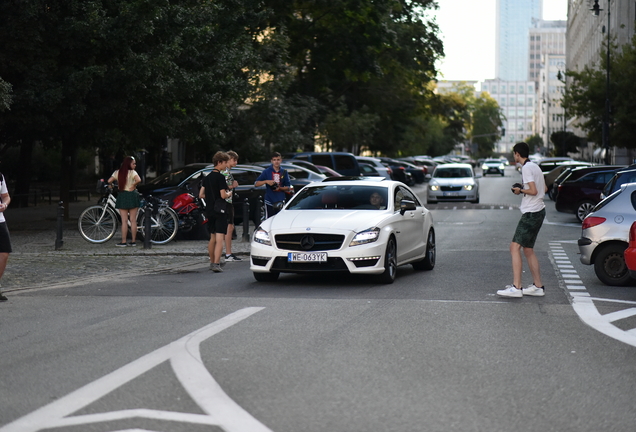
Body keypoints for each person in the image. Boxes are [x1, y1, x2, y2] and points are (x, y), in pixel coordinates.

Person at [497, 142, 547, 298]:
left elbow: (534, 190)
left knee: (514, 247)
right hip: (539, 210)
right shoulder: (535, 166)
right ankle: (538, 286)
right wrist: (524, 188)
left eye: (514, 154)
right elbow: (544, 189)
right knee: (528, 249)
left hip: (531, 213)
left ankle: (516, 287)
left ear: (518, 154)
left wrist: (520, 190)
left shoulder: (526, 168)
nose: (514, 156)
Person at [200, 151, 232, 272]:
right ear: (219, 162)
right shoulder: (220, 177)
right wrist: (229, 193)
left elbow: (201, 194)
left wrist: (209, 197)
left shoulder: (207, 178)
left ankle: (211, 262)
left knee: (212, 237)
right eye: (224, 163)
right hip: (220, 210)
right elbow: (223, 195)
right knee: (220, 238)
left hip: (209, 210)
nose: (226, 165)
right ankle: (216, 263)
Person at [108, 156, 141, 247]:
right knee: (133, 221)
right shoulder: (133, 172)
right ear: (129, 164)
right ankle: (133, 241)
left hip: (122, 195)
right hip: (132, 195)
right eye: (133, 163)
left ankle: (123, 241)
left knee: (124, 221)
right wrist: (133, 185)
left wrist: (111, 186)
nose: (135, 165)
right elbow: (139, 180)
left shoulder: (118, 172)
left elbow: (109, 180)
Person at [255, 152, 291, 218]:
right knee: (269, 219)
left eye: (278, 160)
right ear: (271, 161)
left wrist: (280, 188)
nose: (276, 162)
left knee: (280, 219)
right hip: (269, 200)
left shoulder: (284, 172)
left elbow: (288, 187)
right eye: (274, 160)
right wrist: (266, 181)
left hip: (280, 200)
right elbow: (256, 184)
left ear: (281, 160)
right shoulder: (266, 171)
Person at [223, 150, 241, 262]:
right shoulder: (225, 172)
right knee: (229, 227)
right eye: (234, 160)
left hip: (228, 201)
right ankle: (228, 254)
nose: (236, 162)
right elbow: (223, 186)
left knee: (230, 227)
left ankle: (228, 253)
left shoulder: (227, 171)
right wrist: (232, 185)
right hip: (226, 201)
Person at [0, 172, 12, 302]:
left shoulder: (0, 176)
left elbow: (6, 196)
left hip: (0, 220)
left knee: (4, 253)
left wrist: (4, 205)